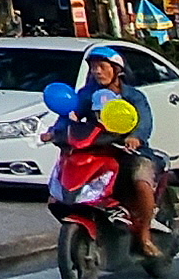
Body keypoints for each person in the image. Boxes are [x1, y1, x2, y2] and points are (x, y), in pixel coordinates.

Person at [63, 45, 164, 230]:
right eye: (94, 67)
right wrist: (56, 132)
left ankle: (144, 233)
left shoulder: (133, 96)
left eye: (102, 66)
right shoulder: (87, 95)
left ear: (116, 69)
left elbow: (145, 121)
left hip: (131, 152)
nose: (97, 72)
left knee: (141, 181)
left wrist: (135, 137)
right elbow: (71, 115)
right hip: (98, 150)